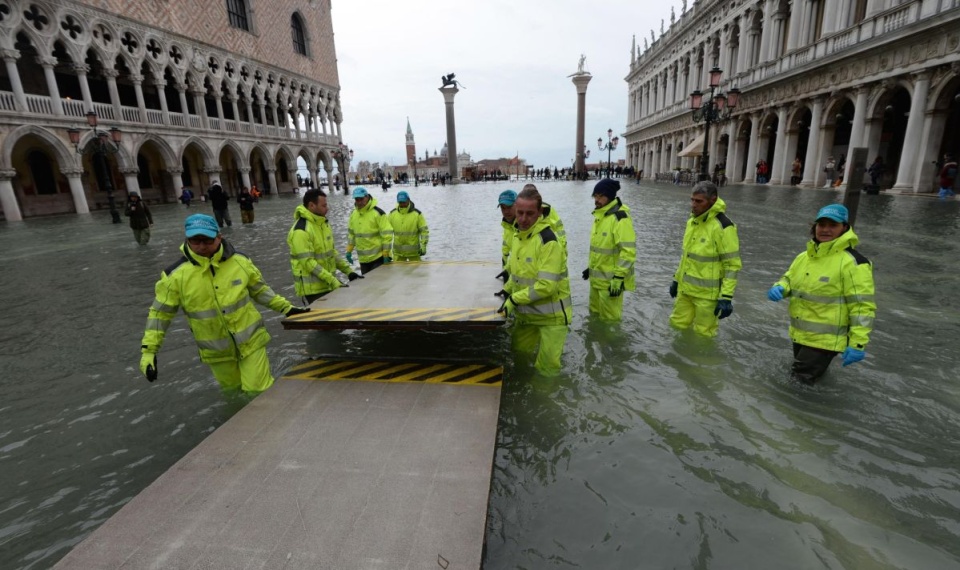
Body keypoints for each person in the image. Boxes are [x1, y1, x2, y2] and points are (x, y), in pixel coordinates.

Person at [139, 214, 309, 394]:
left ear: (219, 236)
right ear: (187, 239)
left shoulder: (240, 262)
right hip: (216, 351)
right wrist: (149, 351)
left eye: (207, 240)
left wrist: (286, 308)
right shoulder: (174, 276)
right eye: (195, 241)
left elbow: (260, 291)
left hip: (251, 340)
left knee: (258, 391)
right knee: (233, 393)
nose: (202, 246)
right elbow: (160, 314)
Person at [766, 204, 876, 384]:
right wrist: (780, 287)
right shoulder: (804, 256)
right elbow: (789, 279)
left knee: (797, 384)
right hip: (801, 333)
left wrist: (857, 343)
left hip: (826, 340)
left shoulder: (854, 263)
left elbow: (862, 306)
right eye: (821, 225)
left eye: (832, 225)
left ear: (844, 228)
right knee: (807, 380)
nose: (825, 230)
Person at [498, 186, 572, 376]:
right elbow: (517, 274)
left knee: (547, 370)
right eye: (520, 213)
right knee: (518, 357)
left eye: (530, 214)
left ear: (540, 213)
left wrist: (514, 300)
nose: (523, 219)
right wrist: (507, 290)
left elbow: (546, 286)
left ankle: (545, 402)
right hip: (526, 316)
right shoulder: (518, 236)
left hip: (552, 319)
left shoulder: (549, 242)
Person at [669, 181, 742, 337]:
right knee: (675, 326)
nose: (693, 205)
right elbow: (686, 256)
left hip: (708, 296)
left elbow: (732, 265)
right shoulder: (692, 222)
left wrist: (726, 296)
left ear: (713, 200)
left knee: (703, 335)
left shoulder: (723, 226)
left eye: (699, 201)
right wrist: (676, 279)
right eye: (692, 200)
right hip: (685, 290)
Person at [288, 189, 362, 304]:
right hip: (313, 289)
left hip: (327, 284)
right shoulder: (301, 230)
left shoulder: (322, 224)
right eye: (324, 205)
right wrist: (332, 280)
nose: (327, 208)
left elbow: (331, 253)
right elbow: (308, 263)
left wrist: (348, 271)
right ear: (311, 205)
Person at [582, 179, 636, 322]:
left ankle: (611, 344)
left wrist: (618, 278)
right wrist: (590, 268)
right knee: (594, 316)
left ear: (610, 196)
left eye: (601, 196)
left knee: (610, 321)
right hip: (596, 281)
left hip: (611, 284)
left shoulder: (620, 218)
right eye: (595, 196)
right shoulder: (600, 216)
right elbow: (601, 249)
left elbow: (628, 252)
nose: (597, 200)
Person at [346, 186, 394, 274]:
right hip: (363, 259)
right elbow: (351, 234)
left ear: (367, 197)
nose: (359, 202)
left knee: (379, 284)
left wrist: (386, 253)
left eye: (361, 199)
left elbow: (387, 235)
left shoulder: (378, 213)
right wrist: (349, 250)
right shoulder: (353, 215)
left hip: (378, 257)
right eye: (357, 199)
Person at [388, 190, 429, 261]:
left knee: (417, 272)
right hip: (398, 253)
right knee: (398, 272)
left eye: (404, 202)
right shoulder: (392, 214)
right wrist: (387, 252)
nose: (402, 204)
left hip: (414, 253)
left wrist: (423, 245)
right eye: (400, 202)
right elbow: (387, 233)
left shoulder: (417, 214)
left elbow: (424, 231)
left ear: (409, 200)